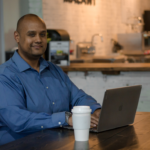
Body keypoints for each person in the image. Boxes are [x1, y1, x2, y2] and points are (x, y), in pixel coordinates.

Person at [0, 14, 101, 145]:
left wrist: (96, 110)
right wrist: (65, 118)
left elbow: (77, 97)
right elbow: (18, 119)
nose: (38, 40)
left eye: (42, 35)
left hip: (59, 143)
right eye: (32, 34)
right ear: (17, 37)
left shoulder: (54, 70)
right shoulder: (5, 75)